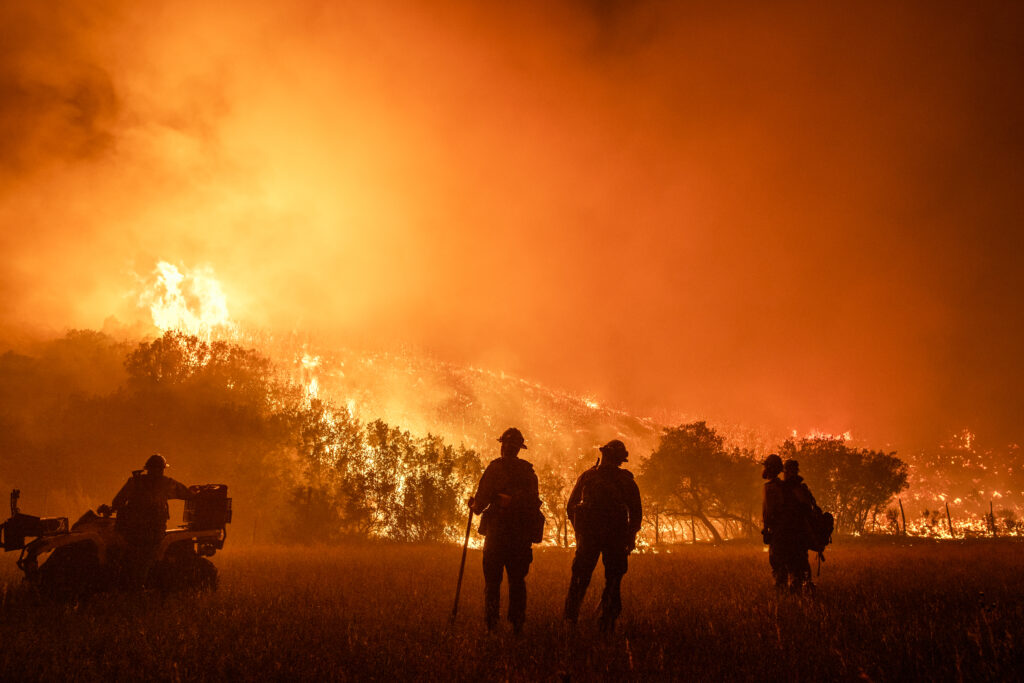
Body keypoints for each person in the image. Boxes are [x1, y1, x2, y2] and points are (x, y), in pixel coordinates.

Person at [563, 440, 642, 632]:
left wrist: (580, 531)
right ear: (621, 460)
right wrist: (630, 536)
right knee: (613, 580)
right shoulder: (625, 481)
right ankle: (607, 621)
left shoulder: (589, 476)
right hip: (614, 538)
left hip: (591, 537)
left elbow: (571, 506)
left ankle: (571, 619)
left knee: (582, 578)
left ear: (605, 455)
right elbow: (636, 513)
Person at [469, 428, 543, 633]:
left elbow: (479, 505)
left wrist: (474, 505)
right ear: (519, 449)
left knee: (493, 582)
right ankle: (517, 624)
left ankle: (491, 624)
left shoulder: (495, 469)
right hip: (520, 538)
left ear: (504, 447)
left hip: (497, 535)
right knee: (517, 581)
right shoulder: (528, 472)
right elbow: (535, 502)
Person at [111, 454, 191, 587]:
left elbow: (117, 502)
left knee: (128, 558)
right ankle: (139, 587)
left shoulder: (134, 482)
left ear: (147, 468)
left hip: (131, 532)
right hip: (153, 532)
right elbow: (186, 494)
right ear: (161, 469)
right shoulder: (165, 483)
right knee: (145, 562)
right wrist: (202, 495)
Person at [762, 454, 816, 594]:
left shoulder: (772, 488)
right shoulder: (793, 488)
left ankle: (785, 600)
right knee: (798, 569)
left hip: (781, 537)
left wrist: (766, 530)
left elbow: (768, 514)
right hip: (797, 536)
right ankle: (800, 596)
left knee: (780, 570)